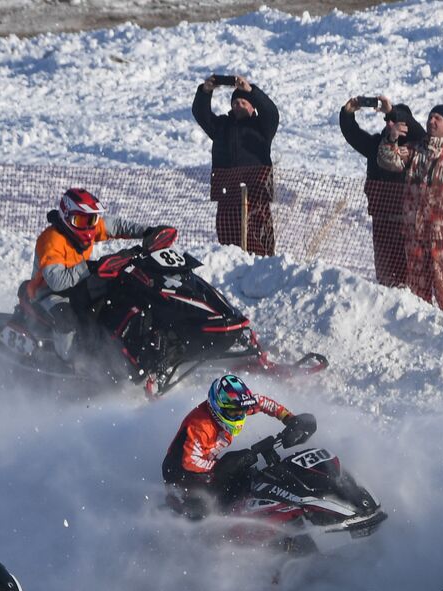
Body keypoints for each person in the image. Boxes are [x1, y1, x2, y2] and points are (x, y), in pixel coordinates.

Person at [23, 187, 175, 364]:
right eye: (80, 220)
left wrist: (146, 232)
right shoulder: (51, 241)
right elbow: (57, 282)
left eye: (92, 219)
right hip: (48, 293)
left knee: (115, 294)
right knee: (67, 320)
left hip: (77, 284)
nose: (88, 227)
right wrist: (91, 267)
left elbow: (117, 226)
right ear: (66, 216)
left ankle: (112, 346)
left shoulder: (89, 226)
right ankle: (67, 362)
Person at [377, 104, 443, 313]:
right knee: (417, 291)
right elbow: (388, 161)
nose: (431, 122)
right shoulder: (416, 149)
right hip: (414, 235)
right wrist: (391, 139)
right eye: (430, 117)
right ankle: (421, 334)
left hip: (442, 238)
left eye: (438, 118)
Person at [163, 374, 316, 515]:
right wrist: (222, 465)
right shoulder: (200, 425)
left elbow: (264, 403)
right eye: (234, 413)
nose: (239, 415)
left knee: (248, 479)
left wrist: (289, 419)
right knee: (208, 507)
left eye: (242, 411)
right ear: (217, 407)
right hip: (182, 475)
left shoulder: (236, 405)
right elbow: (190, 461)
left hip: (205, 463)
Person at [340, 97, 426, 287]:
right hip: (381, 216)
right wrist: (347, 114)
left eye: (394, 121)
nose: (389, 124)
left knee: (407, 274)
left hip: (406, 219)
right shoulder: (377, 145)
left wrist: (392, 112)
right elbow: (353, 135)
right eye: (387, 121)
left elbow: (418, 130)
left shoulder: (416, 147)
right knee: (385, 273)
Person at [193, 75, 279, 256]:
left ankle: (263, 268)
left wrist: (250, 91)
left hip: (257, 192)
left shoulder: (263, 127)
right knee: (228, 241)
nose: (238, 106)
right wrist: (205, 91)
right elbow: (201, 115)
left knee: (259, 240)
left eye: (243, 103)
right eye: (235, 103)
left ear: (252, 106)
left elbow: (271, 112)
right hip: (227, 193)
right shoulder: (221, 126)